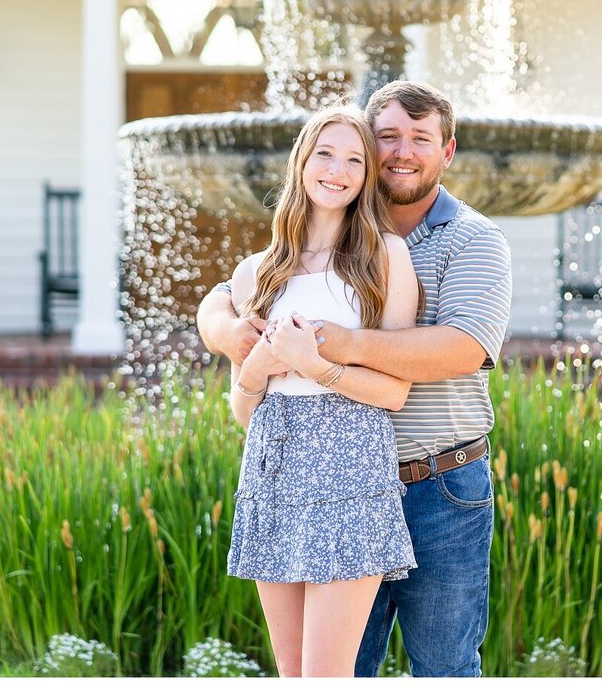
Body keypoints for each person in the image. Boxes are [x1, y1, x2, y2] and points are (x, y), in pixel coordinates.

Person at [200, 80, 513, 677]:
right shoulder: (301, 251)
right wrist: (229, 334)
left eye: (421, 139)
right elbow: (230, 299)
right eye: (388, 136)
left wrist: (327, 347)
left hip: (436, 484)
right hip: (302, 480)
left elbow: (465, 348)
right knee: (331, 671)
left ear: (447, 151)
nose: (401, 151)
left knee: (444, 668)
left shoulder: (467, 240)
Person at [221, 104, 420, 677]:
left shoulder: (384, 258)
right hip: (272, 470)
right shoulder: (255, 273)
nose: (338, 169)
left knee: (327, 676)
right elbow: (242, 409)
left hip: (350, 467)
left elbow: (394, 393)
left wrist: (313, 364)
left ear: (365, 177)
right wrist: (259, 366)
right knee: (293, 675)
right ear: (301, 162)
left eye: (355, 159)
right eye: (325, 154)